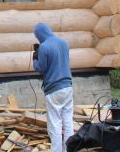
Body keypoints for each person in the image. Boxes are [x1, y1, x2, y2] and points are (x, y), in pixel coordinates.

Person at [33, 22, 74, 152]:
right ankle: (69, 149)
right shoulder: (64, 43)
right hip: (67, 86)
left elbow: (41, 68)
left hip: (53, 89)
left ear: (39, 35)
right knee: (68, 122)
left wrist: (35, 59)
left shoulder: (44, 47)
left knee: (55, 124)